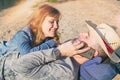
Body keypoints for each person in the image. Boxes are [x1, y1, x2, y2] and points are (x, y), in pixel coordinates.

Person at [0, 4, 91, 80]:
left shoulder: (46, 38)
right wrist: (52, 43)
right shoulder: (23, 34)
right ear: (39, 21)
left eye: (57, 22)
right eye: (52, 22)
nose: (56, 26)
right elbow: (27, 55)